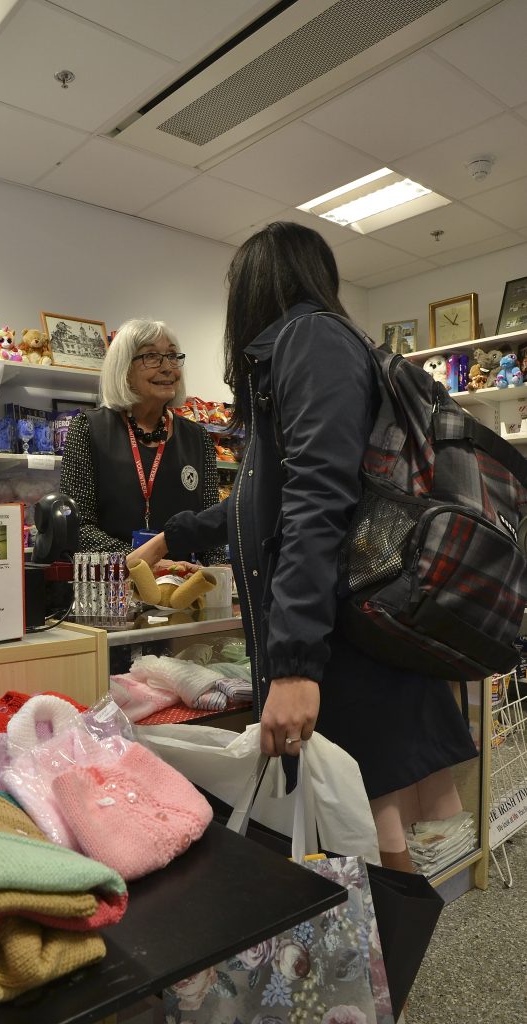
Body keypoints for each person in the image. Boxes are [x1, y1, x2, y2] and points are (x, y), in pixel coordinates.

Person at [130, 222, 477, 871]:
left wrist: (292, 665)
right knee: (359, 837)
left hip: (346, 642)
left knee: (366, 844)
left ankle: (377, 972)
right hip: (345, 632)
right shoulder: (298, 354)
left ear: (257, 284)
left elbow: (316, 499)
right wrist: (171, 537)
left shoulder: (309, 340)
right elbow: (258, 500)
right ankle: (371, 970)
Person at [60, 318, 225, 564]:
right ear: (124, 369)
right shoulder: (88, 429)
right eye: (151, 356)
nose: (168, 367)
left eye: (172, 356)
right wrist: (147, 561)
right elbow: (78, 528)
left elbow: (210, 529)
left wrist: (219, 580)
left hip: (182, 592)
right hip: (112, 593)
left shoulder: (198, 438)